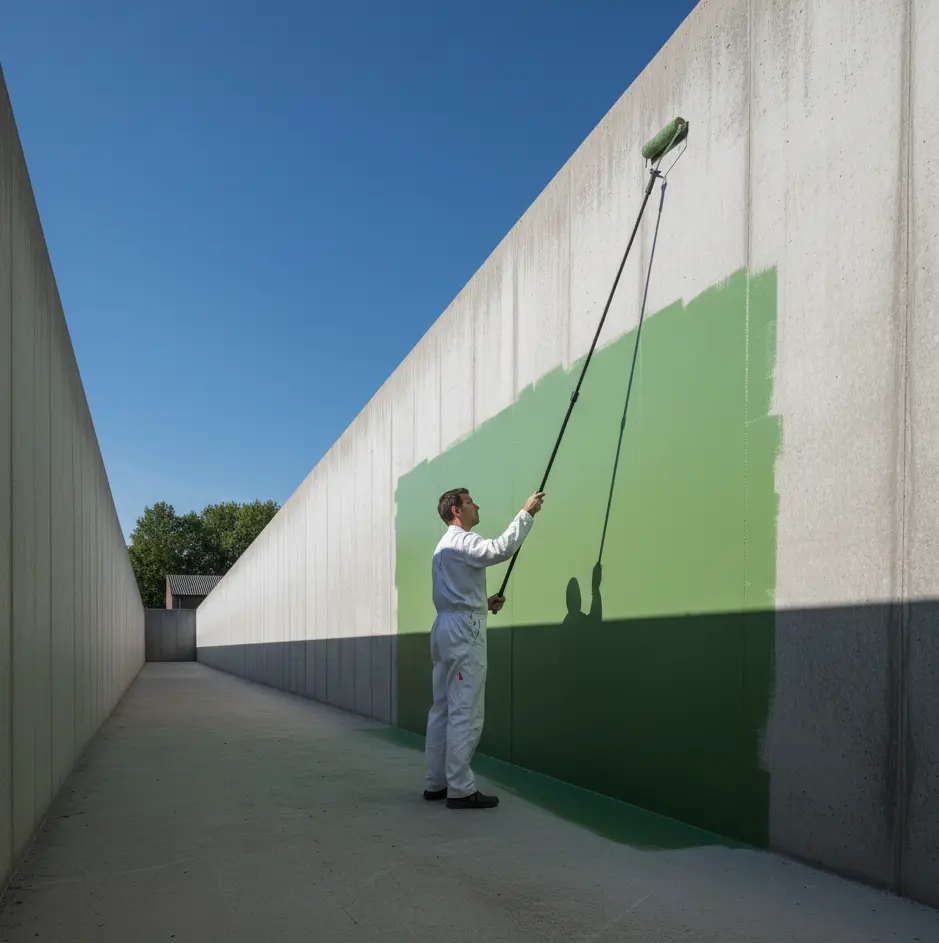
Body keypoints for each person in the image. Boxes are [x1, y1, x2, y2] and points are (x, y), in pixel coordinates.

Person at [422, 487, 545, 809]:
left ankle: (435, 783)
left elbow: (456, 591)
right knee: (466, 711)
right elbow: (499, 550)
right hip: (464, 632)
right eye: (470, 502)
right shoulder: (462, 541)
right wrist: (526, 513)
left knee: (443, 709)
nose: (477, 505)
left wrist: (482, 603)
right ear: (457, 512)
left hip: (446, 627)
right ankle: (460, 789)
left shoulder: (444, 546)